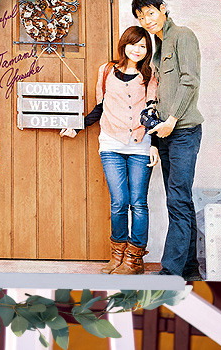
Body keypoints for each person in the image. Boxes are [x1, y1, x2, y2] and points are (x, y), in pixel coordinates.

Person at [60, 26, 160, 275]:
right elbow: (100, 107)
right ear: (124, 45)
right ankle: (118, 255)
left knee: (138, 203)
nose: (137, 50)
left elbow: (154, 112)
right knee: (119, 202)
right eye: (133, 44)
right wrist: (78, 126)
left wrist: (155, 145)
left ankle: (134, 260)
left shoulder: (150, 75)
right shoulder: (106, 70)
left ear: (147, 50)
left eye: (143, 46)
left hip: (140, 143)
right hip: (111, 144)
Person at [131, 0, 204, 280]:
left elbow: (190, 81)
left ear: (163, 9)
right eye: (141, 17)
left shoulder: (183, 36)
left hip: (183, 131)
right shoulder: (158, 46)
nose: (147, 20)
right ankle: (190, 268)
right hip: (165, 133)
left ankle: (171, 271)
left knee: (177, 199)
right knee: (180, 200)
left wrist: (172, 119)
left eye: (150, 13)